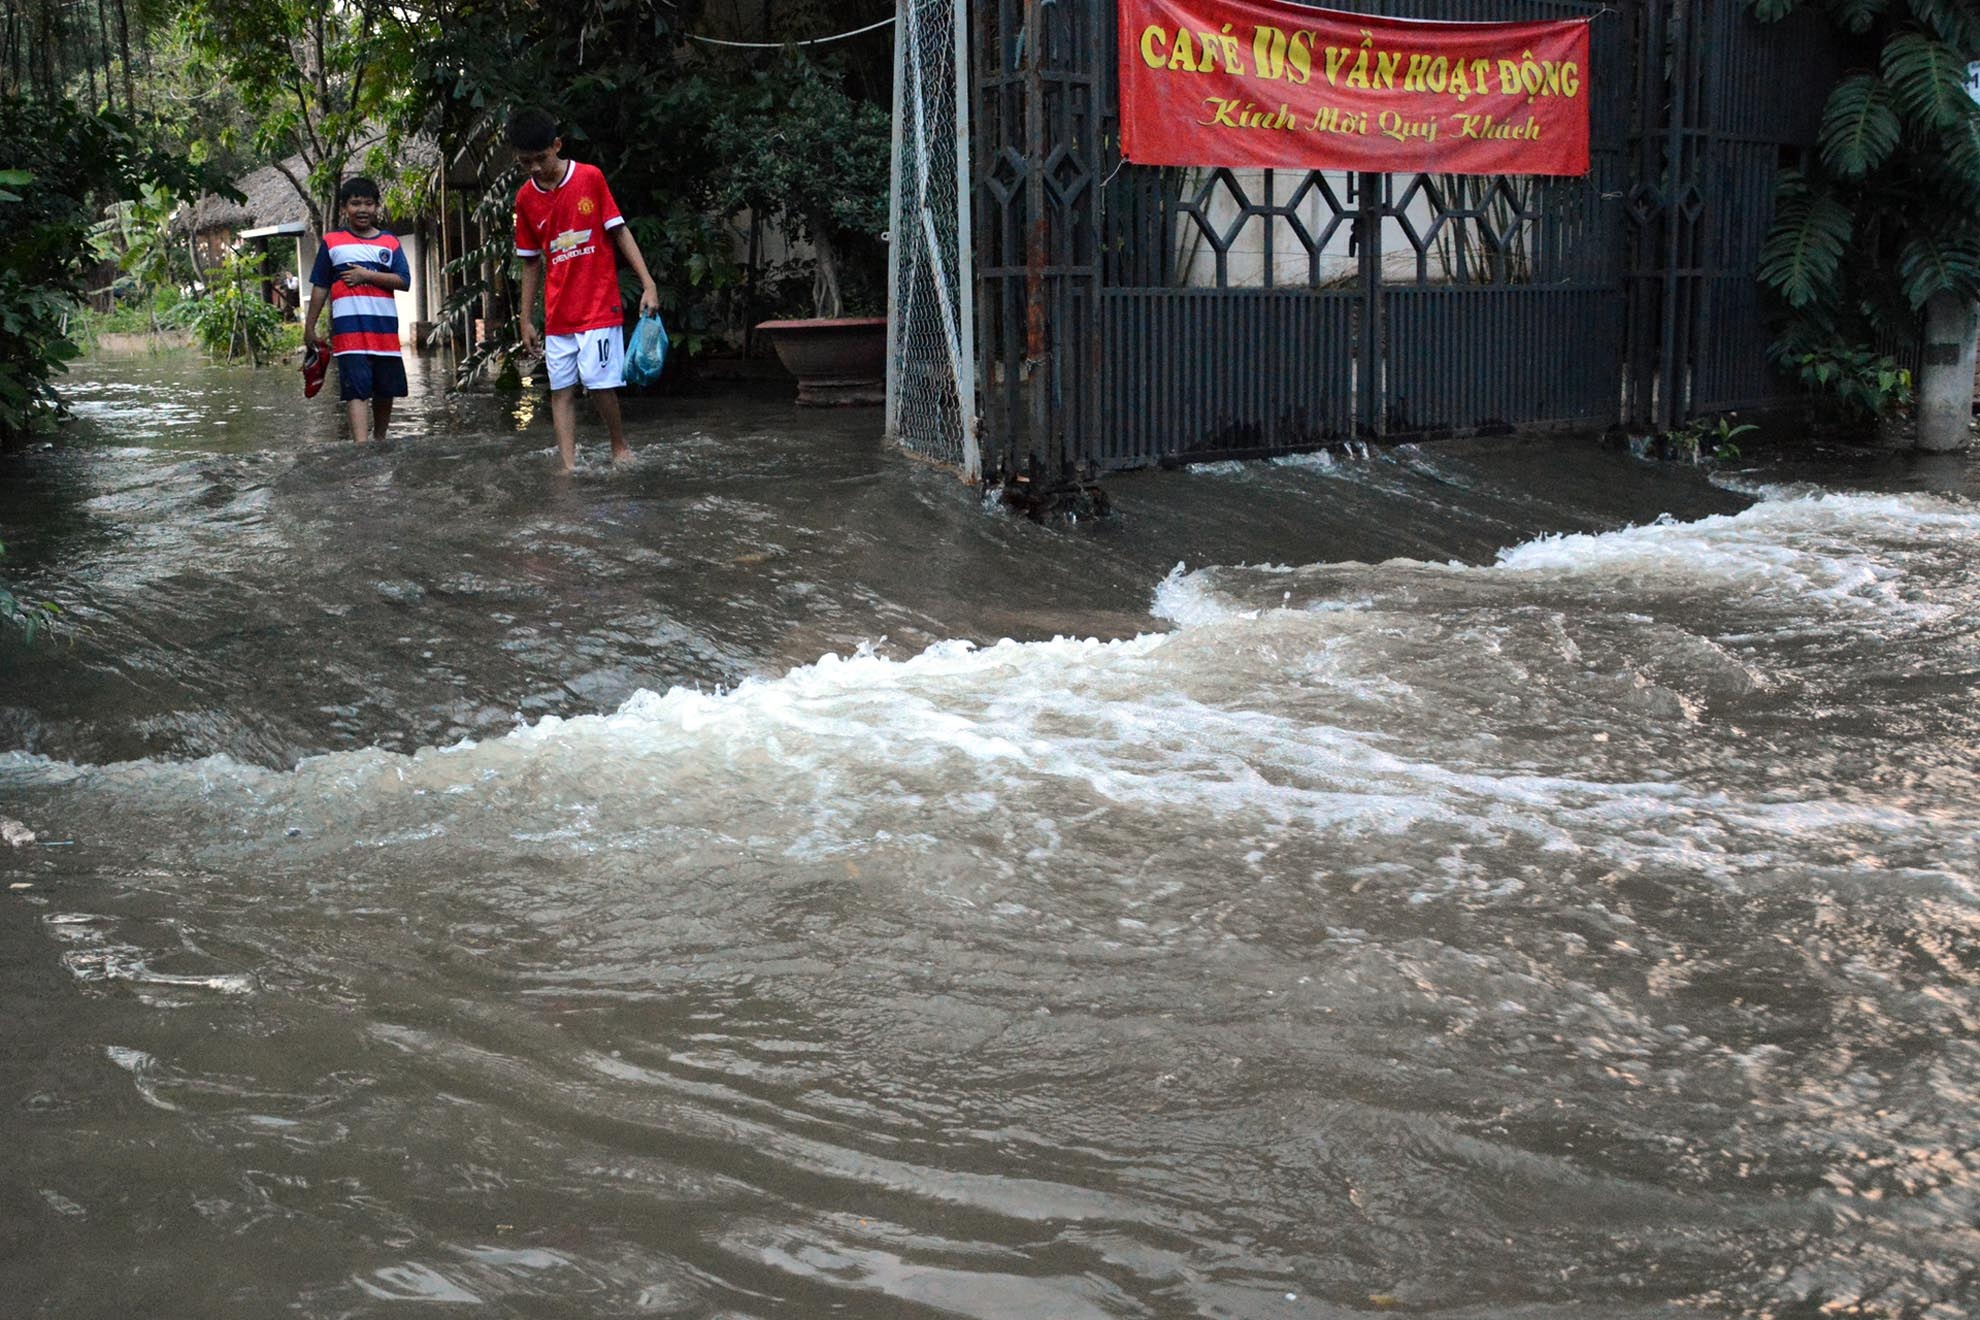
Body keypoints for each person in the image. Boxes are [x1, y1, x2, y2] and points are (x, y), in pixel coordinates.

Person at [507, 107, 660, 472]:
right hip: (558, 314)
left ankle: (619, 446)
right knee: (560, 391)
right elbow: (530, 261)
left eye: (540, 158)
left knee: (601, 385)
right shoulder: (525, 199)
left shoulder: (589, 178)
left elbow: (619, 231)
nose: (534, 168)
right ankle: (568, 465)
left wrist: (648, 283)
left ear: (557, 145)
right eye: (525, 162)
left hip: (598, 306)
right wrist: (525, 319)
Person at [302, 177, 412, 443]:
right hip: (349, 336)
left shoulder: (390, 242)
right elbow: (320, 285)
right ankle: (361, 448)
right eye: (355, 204)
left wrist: (367, 275)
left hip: (384, 334)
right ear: (343, 209)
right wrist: (309, 326)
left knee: (386, 391)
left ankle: (380, 440)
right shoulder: (332, 242)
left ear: (376, 208)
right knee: (356, 392)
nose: (362, 209)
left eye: (369, 204)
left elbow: (404, 281)